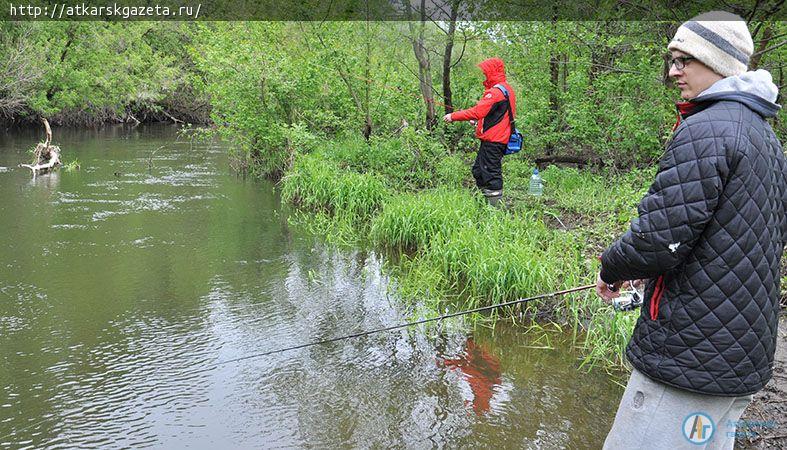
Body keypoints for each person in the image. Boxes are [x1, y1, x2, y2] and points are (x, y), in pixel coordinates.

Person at [595, 11, 786, 449]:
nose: (673, 71)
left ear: (717, 62)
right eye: (673, 60)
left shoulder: (707, 129)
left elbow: (656, 239)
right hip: (741, 356)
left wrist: (612, 268)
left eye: (684, 60)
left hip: (690, 358)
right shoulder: (764, 135)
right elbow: (736, 239)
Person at [443, 57, 516, 205]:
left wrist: (453, 116)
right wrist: (478, 122)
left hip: (494, 140)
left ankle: (494, 209)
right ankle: (484, 203)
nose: (484, 75)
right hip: (497, 138)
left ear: (492, 72)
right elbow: (497, 114)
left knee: (491, 173)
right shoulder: (506, 88)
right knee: (479, 171)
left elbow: (478, 111)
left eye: (485, 72)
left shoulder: (495, 92)